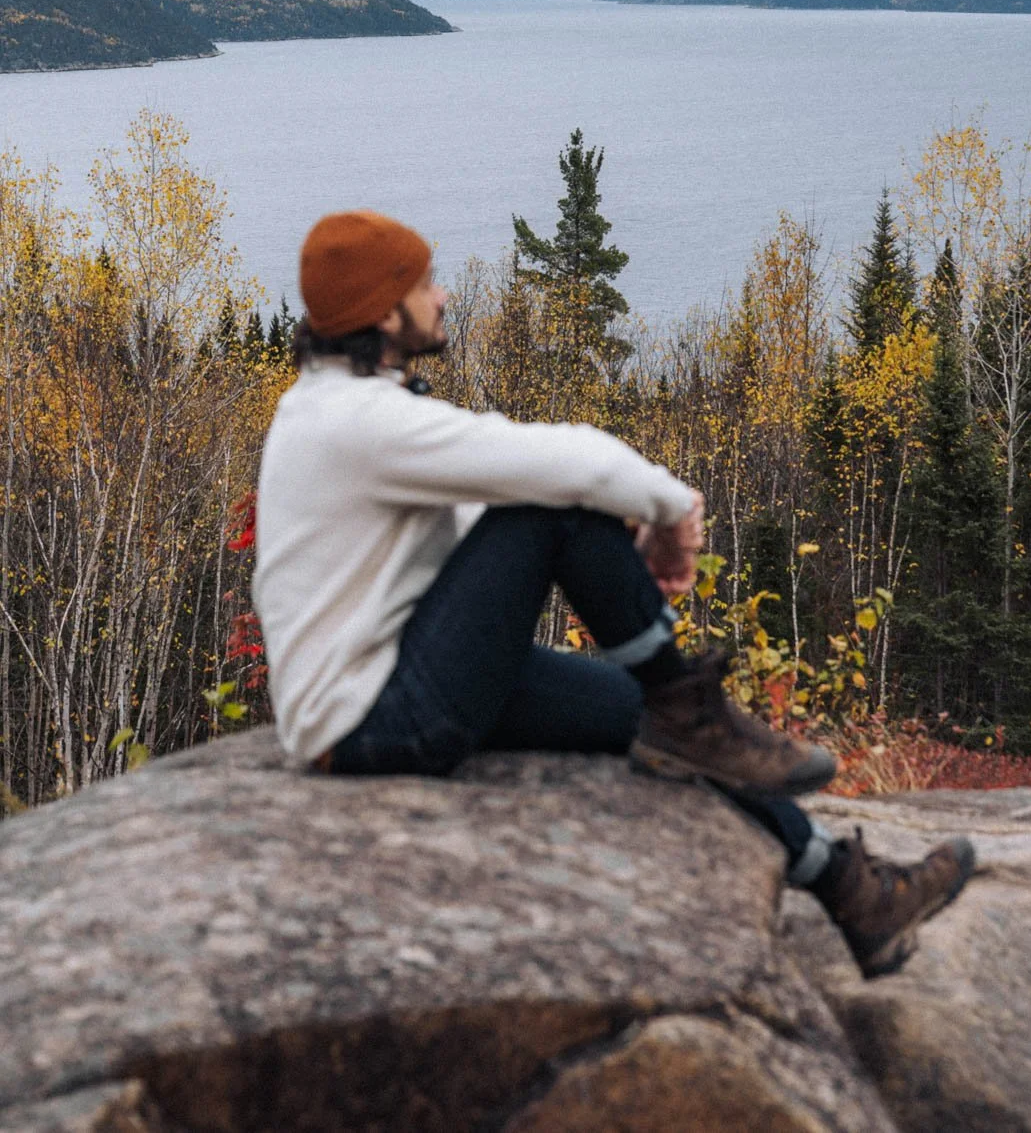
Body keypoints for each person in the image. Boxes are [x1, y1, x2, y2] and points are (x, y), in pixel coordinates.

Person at [253, 210, 974, 979]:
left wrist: (611, 552)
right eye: (424, 282)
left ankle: (851, 891)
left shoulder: (338, 411)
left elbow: (459, 532)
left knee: (643, 720)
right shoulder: (357, 422)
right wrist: (672, 512)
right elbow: (574, 467)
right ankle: (683, 702)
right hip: (373, 719)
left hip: (385, 691)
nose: (444, 294)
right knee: (555, 507)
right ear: (382, 311)